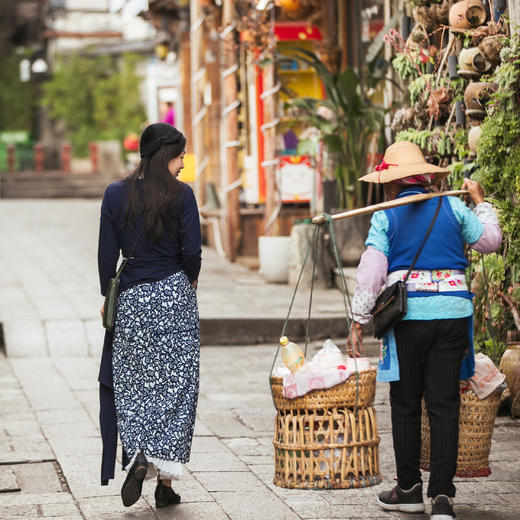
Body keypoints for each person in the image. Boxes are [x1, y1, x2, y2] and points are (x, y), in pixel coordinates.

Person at [347, 141, 502, 520]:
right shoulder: (451, 206)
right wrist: (480, 202)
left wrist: (358, 321)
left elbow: (371, 274)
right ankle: (444, 498)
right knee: (444, 403)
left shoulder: (386, 215)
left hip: (408, 319)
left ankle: (409, 489)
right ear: (425, 178)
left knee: (405, 403)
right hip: (452, 315)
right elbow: (490, 241)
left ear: (392, 183)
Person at [97, 123, 201, 509]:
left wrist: (108, 294)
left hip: (133, 301)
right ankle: (166, 484)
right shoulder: (183, 195)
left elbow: (107, 255)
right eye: (179, 156)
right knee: (177, 388)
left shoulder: (114, 194)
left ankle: (141, 452)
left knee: (135, 386)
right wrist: (188, 283)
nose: (182, 164)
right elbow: (192, 252)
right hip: (174, 295)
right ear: (164, 156)